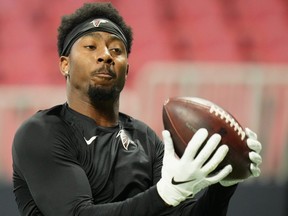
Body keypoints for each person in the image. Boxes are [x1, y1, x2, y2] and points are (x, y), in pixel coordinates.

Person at [12, 2, 262, 216]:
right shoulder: (42, 132)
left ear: (127, 70)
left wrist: (224, 181)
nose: (106, 56)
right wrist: (165, 194)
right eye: (90, 47)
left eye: (116, 50)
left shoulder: (145, 139)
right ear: (65, 65)